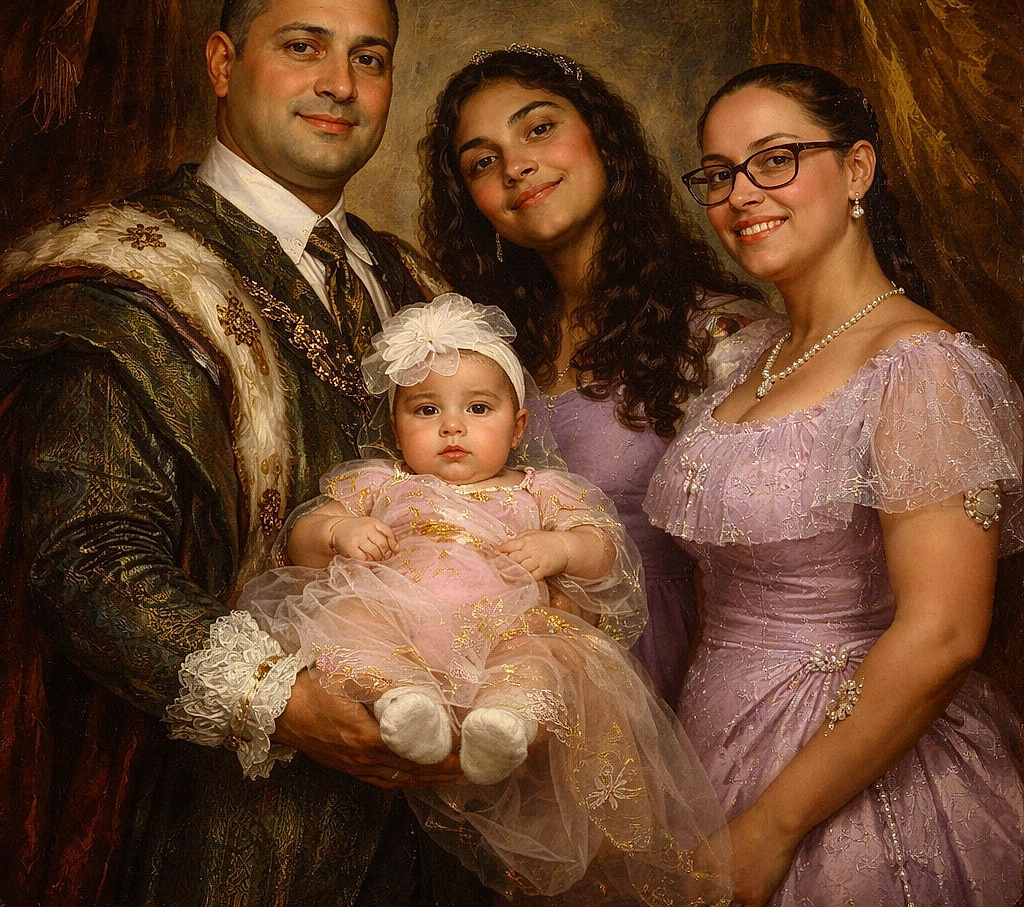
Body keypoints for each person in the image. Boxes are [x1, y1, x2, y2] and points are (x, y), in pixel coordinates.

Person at [0, 0, 489, 907]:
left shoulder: (413, 281)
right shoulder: (125, 277)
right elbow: (87, 562)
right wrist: (289, 702)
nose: (340, 84)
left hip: (441, 826)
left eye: (369, 57)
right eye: (304, 46)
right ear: (223, 63)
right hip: (224, 828)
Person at [644, 62, 1024, 906]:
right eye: (719, 174)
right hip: (708, 748)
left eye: (775, 159)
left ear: (857, 169)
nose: (742, 195)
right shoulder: (752, 354)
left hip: (844, 776)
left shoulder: (919, 366)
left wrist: (771, 829)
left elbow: (945, 633)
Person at [238, 293, 732, 904]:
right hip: (402, 620)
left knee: (546, 652)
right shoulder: (381, 485)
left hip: (501, 630)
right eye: (426, 410)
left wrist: (561, 548)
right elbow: (302, 541)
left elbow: (605, 550)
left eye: (478, 408)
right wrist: (338, 531)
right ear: (395, 427)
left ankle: (505, 719)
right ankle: (404, 700)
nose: (452, 427)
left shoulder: (538, 490)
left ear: (518, 426)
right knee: (352, 614)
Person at [419, 46, 766, 708]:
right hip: (508, 686)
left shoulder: (720, 338)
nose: (516, 166)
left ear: (604, 140)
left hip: (667, 679)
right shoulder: (488, 353)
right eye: (483, 162)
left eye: (539, 128)